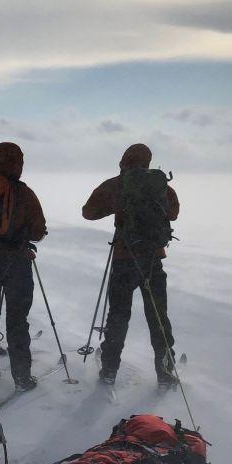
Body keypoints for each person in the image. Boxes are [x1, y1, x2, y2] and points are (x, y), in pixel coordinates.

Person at [81, 142, 180, 385]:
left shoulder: (116, 184)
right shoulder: (162, 186)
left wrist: (120, 207)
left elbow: (88, 212)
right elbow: (174, 213)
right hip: (153, 260)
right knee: (158, 316)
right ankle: (165, 370)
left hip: (125, 259)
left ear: (124, 160)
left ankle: (110, 370)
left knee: (118, 316)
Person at [0, 142, 47, 390]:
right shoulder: (24, 193)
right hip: (16, 264)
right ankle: (22, 377)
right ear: (18, 163)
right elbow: (38, 231)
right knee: (17, 321)